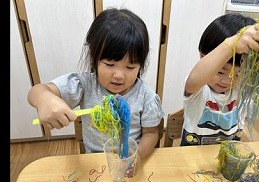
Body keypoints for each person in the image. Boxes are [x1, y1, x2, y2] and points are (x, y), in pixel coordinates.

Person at [27, 8, 165, 163]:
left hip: (129, 160)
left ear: (141, 65)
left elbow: (151, 133)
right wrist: (44, 99)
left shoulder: (145, 96)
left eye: (130, 67)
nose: (119, 75)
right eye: (110, 64)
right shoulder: (85, 85)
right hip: (93, 161)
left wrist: (136, 156)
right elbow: (37, 91)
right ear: (94, 57)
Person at [180, 13, 259, 146]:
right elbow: (193, 81)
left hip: (227, 156)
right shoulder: (200, 88)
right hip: (191, 154)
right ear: (203, 57)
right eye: (220, 71)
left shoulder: (243, 88)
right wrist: (232, 44)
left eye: (238, 74)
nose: (227, 81)